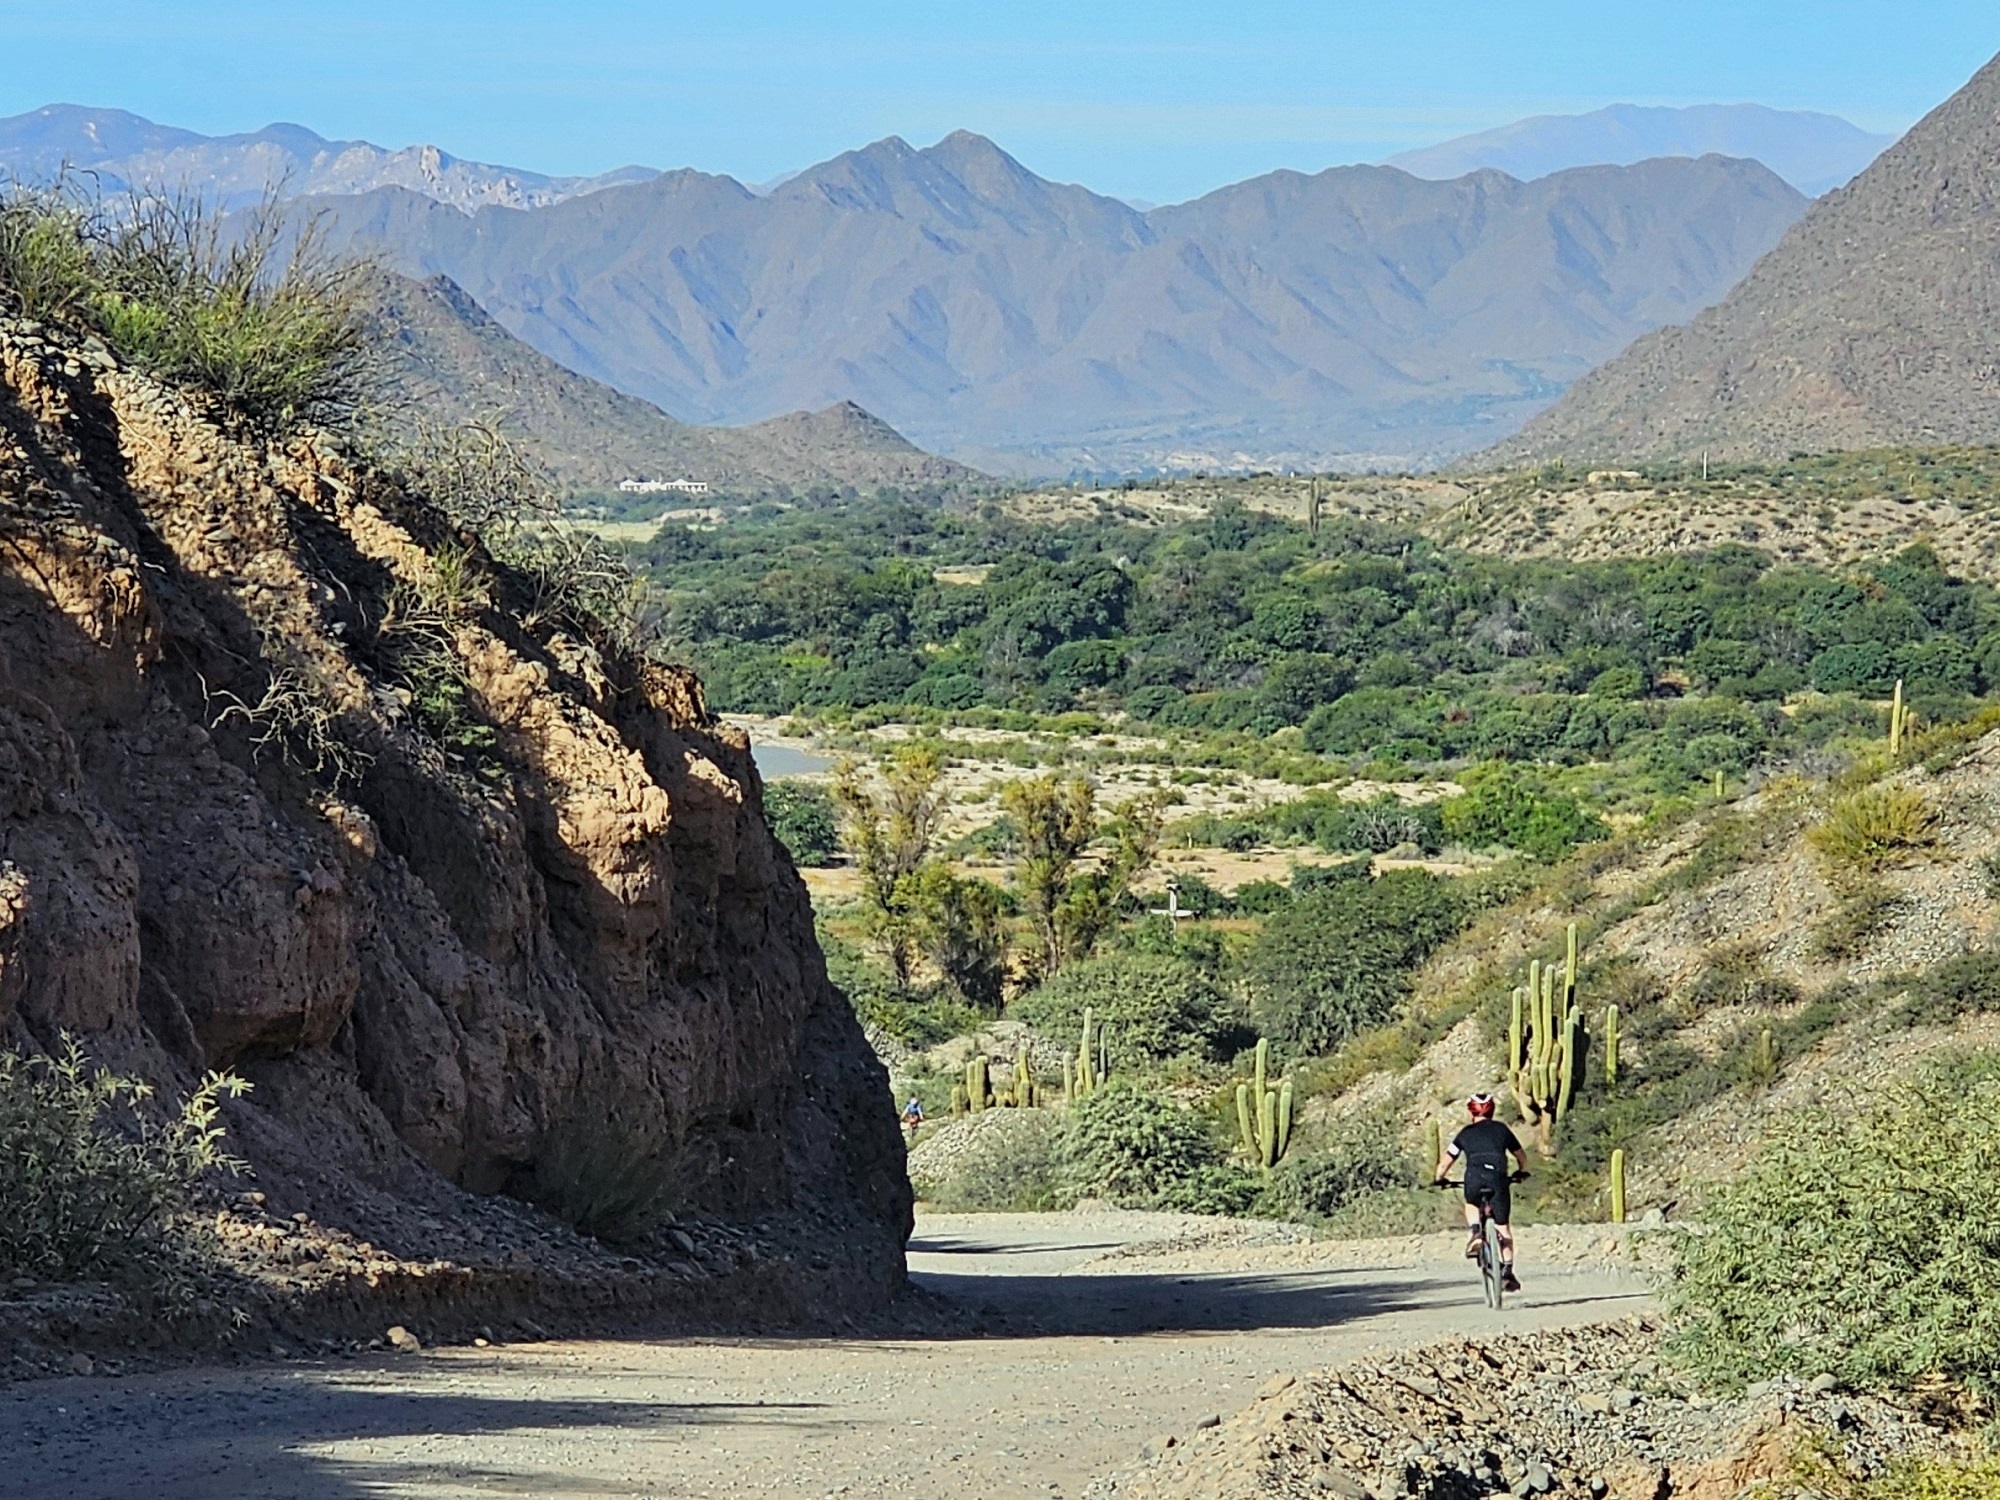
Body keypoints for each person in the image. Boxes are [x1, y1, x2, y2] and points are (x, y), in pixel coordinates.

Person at [1433, 1092, 1530, 1293]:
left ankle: (1476, 1232)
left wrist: (1439, 1178)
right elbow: (1521, 1155)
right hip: (1498, 1179)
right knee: (1503, 1227)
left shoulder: (1465, 1133)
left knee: (1471, 1203)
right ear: (1492, 1111)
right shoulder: (1502, 1130)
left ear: (1471, 1112)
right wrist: (1521, 1171)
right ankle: (1508, 1271)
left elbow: (1446, 1161)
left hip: (1474, 1178)